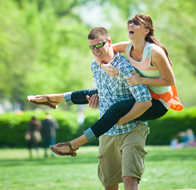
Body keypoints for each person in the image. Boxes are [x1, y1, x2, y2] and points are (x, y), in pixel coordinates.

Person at [28, 26, 152, 190]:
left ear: (109, 42)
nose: (96, 50)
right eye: (91, 47)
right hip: (107, 131)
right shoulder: (96, 66)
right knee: (109, 183)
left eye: (99, 45)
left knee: (129, 178)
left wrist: (122, 119)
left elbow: (144, 101)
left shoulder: (125, 66)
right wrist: (94, 101)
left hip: (133, 127)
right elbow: (101, 93)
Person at [28, 14, 181, 156]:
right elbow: (100, 51)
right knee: (97, 92)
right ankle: (52, 99)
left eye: (136, 23)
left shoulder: (155, 52)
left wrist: (141, 82)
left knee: (115, 110)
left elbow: (170, 81)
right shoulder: (126, 47)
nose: (130, 25)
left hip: (158, 103)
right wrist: (104, 67)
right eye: (129, 22)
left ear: (146, 30)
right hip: (145, 93)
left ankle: (75, 144)